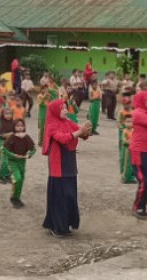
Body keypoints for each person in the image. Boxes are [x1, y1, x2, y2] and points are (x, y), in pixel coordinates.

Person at [42, 100, 91, 236]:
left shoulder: (67, 122)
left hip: (69, 164)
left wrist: (86, 130)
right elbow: (62, 138)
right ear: (55, 111)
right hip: (58, 166)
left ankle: (66, 223)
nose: (65, 110)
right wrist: (79, 132)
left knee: (69, 196)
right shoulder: (52, 125)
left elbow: (80, 132)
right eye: (62, 108)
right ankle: (56, 226)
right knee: (60, 198)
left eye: (65, 108)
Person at [4, 119, 36, 208]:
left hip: (22, 162)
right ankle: (14, 197)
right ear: (14, 127)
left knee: (21, 180)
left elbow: (33, 148)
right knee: (17, 178)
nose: (20, 127)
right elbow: (5, 150)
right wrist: (13, 155)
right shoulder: (11, 137)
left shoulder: (26, 137)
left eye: (21, 125)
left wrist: (29, 154)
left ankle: (17, 198)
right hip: (13, 162)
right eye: (17, 126)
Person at [0, 108, 15, 184]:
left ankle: (7, 175)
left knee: (10, 160)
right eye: (6, 114)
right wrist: (10, 134)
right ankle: (0, 176)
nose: (8, 115)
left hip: (11, 144)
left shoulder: (13, 123)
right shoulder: (1, 123)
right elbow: (0, 135)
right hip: (2, 143)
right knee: (4, 161)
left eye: (10, 113)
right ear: (3, 115)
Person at [120, 114, 136, 184]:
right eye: (127, 121)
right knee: (126, 163)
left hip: (133, 149)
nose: (129, 123)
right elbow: (124, 140)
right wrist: (130, 142)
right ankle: (125, 177)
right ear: (124, 122)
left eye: (131, 121)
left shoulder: (134, 130)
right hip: (126, 149)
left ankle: (131, 177)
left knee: (132, 164)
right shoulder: (125, 131)